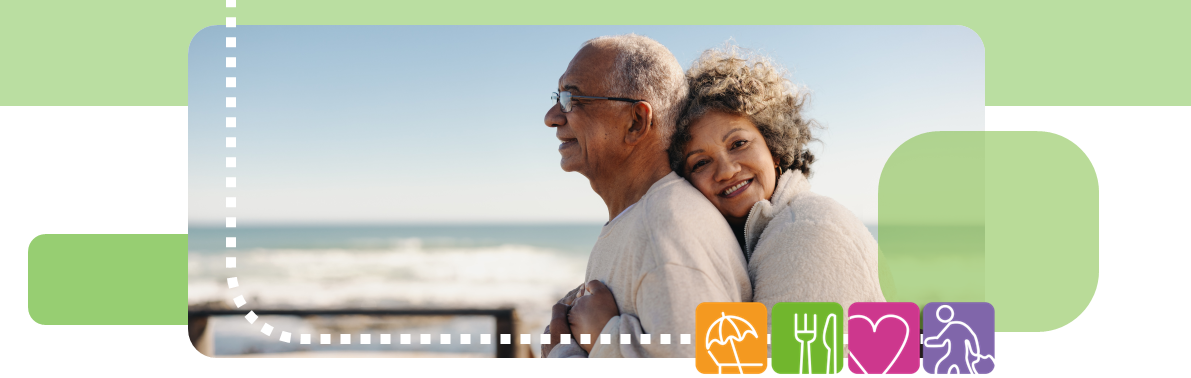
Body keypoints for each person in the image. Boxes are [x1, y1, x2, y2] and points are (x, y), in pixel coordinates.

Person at [566, 45, 884, 339]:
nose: (727, 170)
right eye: (701, 162)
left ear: (773, 148)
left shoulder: (807, 230)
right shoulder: (755, 235)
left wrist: (605, 336)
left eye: (738, 144)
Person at [540, 35, 752, 358]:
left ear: (636, 122)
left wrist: (561, 355)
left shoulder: (665, 231)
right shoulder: (646, 219)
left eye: (572, 98)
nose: (552, 116)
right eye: (559, 96)